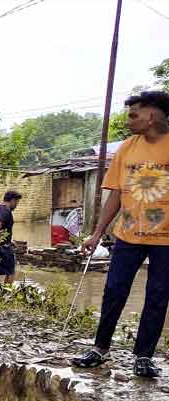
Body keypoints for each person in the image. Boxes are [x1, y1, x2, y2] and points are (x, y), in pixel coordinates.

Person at [72, 90, 169, 379]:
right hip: (127, 237)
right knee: (114, 291)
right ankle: (100, 349)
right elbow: (116, 194)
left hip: (166, 241)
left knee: (157, 297)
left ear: (151, 116)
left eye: (133, 115)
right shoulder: (127, 148)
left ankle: (143, 357)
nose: (129, 121)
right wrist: (97, 233)